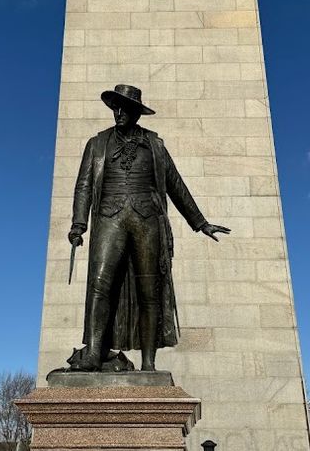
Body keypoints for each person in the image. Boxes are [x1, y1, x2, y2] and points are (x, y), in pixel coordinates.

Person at [68, 84, 230, 372]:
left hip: (147, 219)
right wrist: (79, 224)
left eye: (125, 108)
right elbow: (83, 185)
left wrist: (200, 222)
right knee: (100, 283)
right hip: (108, 217)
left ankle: (148, 364)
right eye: (115, 107)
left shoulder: (155, 145)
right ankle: (93, 353)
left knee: (149, 290)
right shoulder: (97, 144)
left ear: (136, 113)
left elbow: (176, 185)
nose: (118, 113)